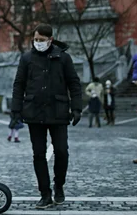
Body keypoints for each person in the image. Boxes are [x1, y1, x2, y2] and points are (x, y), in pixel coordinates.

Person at [11, 24, 82, 210]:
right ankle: (45, 193)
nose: (38, 43)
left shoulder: (63, 58)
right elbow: (18, 85)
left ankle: (59, 185)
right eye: (36, 40)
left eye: (42, 40)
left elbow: (74, 83)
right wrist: (15, 112)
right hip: (34, 112)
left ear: (50, 40)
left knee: (61, 151)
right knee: (39, 154)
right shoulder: (26, 58)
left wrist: (77, 108)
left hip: (58, 111)